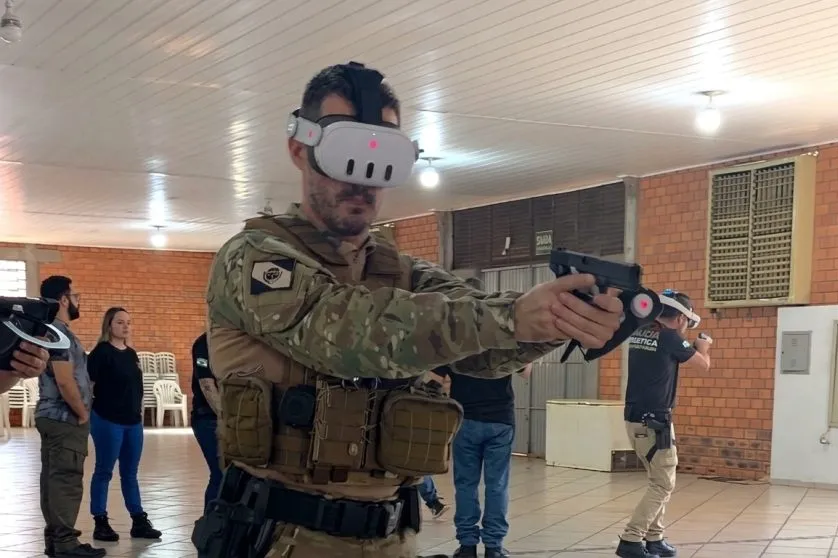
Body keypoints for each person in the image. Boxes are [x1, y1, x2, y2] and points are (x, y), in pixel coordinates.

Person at [197, 61, 625, 558]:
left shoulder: (399, 271)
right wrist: (511, 317)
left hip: (392, 536)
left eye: (380, 161)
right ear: (300, 149)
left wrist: (557, 318)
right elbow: (349, 335)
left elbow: (482, 354)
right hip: (282, 537)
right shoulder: (253, 258)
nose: (360, 181)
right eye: (344, 156)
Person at [616, 290, 712, 558]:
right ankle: (631, 539)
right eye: (687, 321)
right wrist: (703, 347)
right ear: (680, 318)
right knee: (662, 485)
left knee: (658, 478)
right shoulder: (670, 337)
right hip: (655, 421)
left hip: (637, 418)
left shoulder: (640, 332)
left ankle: (655, 538)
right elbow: (703, 365)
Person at [34, 276, 106, 558]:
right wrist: (82, 412)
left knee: (52, 479)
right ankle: (65, 544)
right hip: (64, 418)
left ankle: (55, 540)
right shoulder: (58, 333)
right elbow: (65, 380)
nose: (77, 302)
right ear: (63, 300)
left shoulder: (48, 330)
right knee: (66, 479)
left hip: (51, 416)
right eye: (75, 297)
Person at [440, 357, 532, 558]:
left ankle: (467, 546)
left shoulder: (458, 342)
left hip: (465, 419)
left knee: (465, 484)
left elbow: (435, 377)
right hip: (500, 419)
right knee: (497, 485)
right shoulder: (504, 342)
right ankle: (494, 546)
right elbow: (525, 371)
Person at [86, 307, 162, 543]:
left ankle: (138, 520)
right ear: (109, 325)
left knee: (130, 473)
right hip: (107, 419)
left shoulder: (131, 354)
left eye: (128, 322)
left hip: (133, 422)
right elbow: (88, 386)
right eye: (120, 322)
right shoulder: (101, 353)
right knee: (104, 471)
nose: (126, 326)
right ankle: (100, 521)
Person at [190, 331, 223, 512]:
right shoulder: (204, 343)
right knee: (219, 473)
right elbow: (206, 383)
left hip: (234, 419)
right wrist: (224, 416)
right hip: (208, 418)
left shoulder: (233, 340)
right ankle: (211, 522)